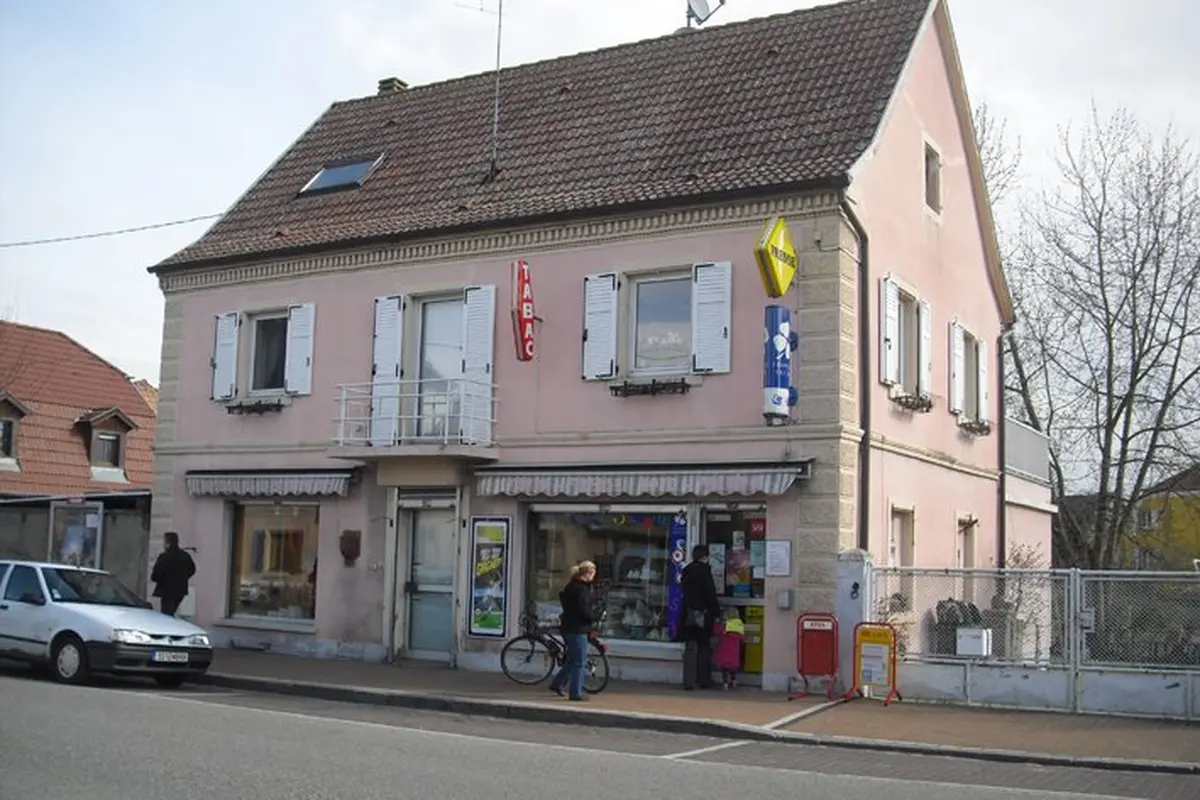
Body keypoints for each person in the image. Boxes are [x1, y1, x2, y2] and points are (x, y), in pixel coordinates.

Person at [548, 560, 596, 702]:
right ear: (588, 573)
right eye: (593, 573)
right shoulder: (581, 589)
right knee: (579, 662)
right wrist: (593, 617)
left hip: (569, 627)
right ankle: (576, 692)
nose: (594, 577)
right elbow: (583, 610)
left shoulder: (571, 586)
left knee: (573, 660)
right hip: (578, 628)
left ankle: (557, 684)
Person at [680, 544, 721, 690]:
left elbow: (684, 591)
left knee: (690, 648)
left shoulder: (686, 570)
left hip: (688, 613)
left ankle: (688, 681)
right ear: (705, 557)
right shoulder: (705, 571)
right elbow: (710, 594)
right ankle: (704, 680)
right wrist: (717, 613)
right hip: (702, 614)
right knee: (704, 647)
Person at [151, 531, 196, 616]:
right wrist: (183, 578)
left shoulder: (164, 557)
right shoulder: (185, 556)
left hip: (166, 590)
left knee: (166, 614)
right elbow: (192, 570)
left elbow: (155, 575)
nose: (163, 544)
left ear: (168, 543)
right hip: (180, 590)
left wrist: (160, 579)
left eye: (164, 542)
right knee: (171, 611)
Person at [712, 608, 745, 690]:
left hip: (724, 649)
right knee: (733, 667)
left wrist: (716, 623)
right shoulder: (739, 625)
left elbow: (717, 632)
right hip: (734, 651)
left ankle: (725, 683)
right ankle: (734, 680)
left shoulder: (725, 624)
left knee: (724, 668)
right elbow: (742, 638)